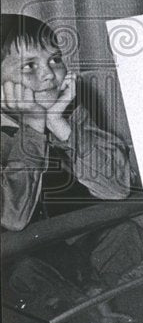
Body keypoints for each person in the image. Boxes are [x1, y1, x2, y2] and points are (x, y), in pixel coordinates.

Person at [1, 13, 135, 231]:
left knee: (128, 235)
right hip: (21, 258)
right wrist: (33, 126)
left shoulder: (67, 113)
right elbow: (12, 218)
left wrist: (58, 125)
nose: (49, 75)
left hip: (73, 244)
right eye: (29, 66)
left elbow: (117, 188)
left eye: (55, 60)